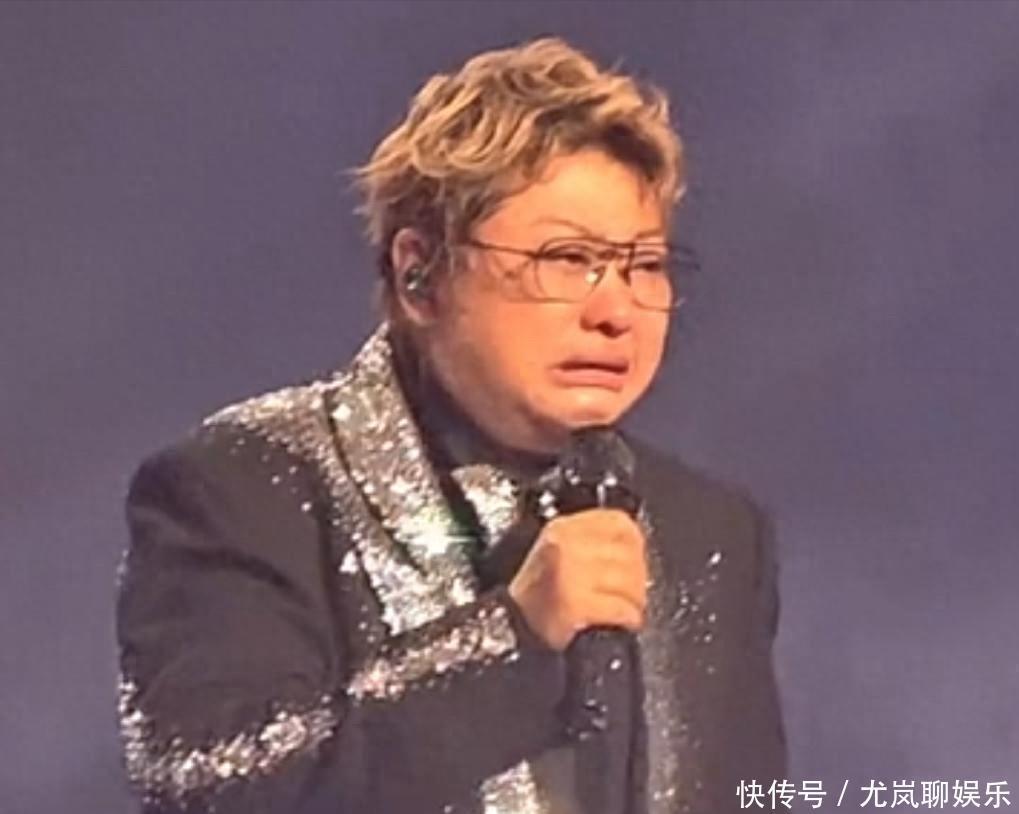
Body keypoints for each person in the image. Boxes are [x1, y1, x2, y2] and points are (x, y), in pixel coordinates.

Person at [116, 37, 787, 814]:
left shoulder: (712, 530)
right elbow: (211, 792)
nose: (614, 310)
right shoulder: (242, 488)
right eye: (565, 259)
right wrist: (510, 640)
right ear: (418, 274)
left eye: (644, 266)